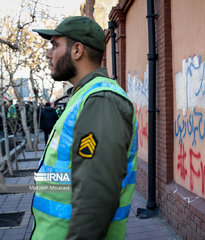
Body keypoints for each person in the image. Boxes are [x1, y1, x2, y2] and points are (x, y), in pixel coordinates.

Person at [31, 16, 138, 240]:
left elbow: (96, 195)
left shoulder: (101, 99)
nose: (49, 54)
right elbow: (71, 177)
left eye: (55, 45)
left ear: (77, 50)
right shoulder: (83, 95)